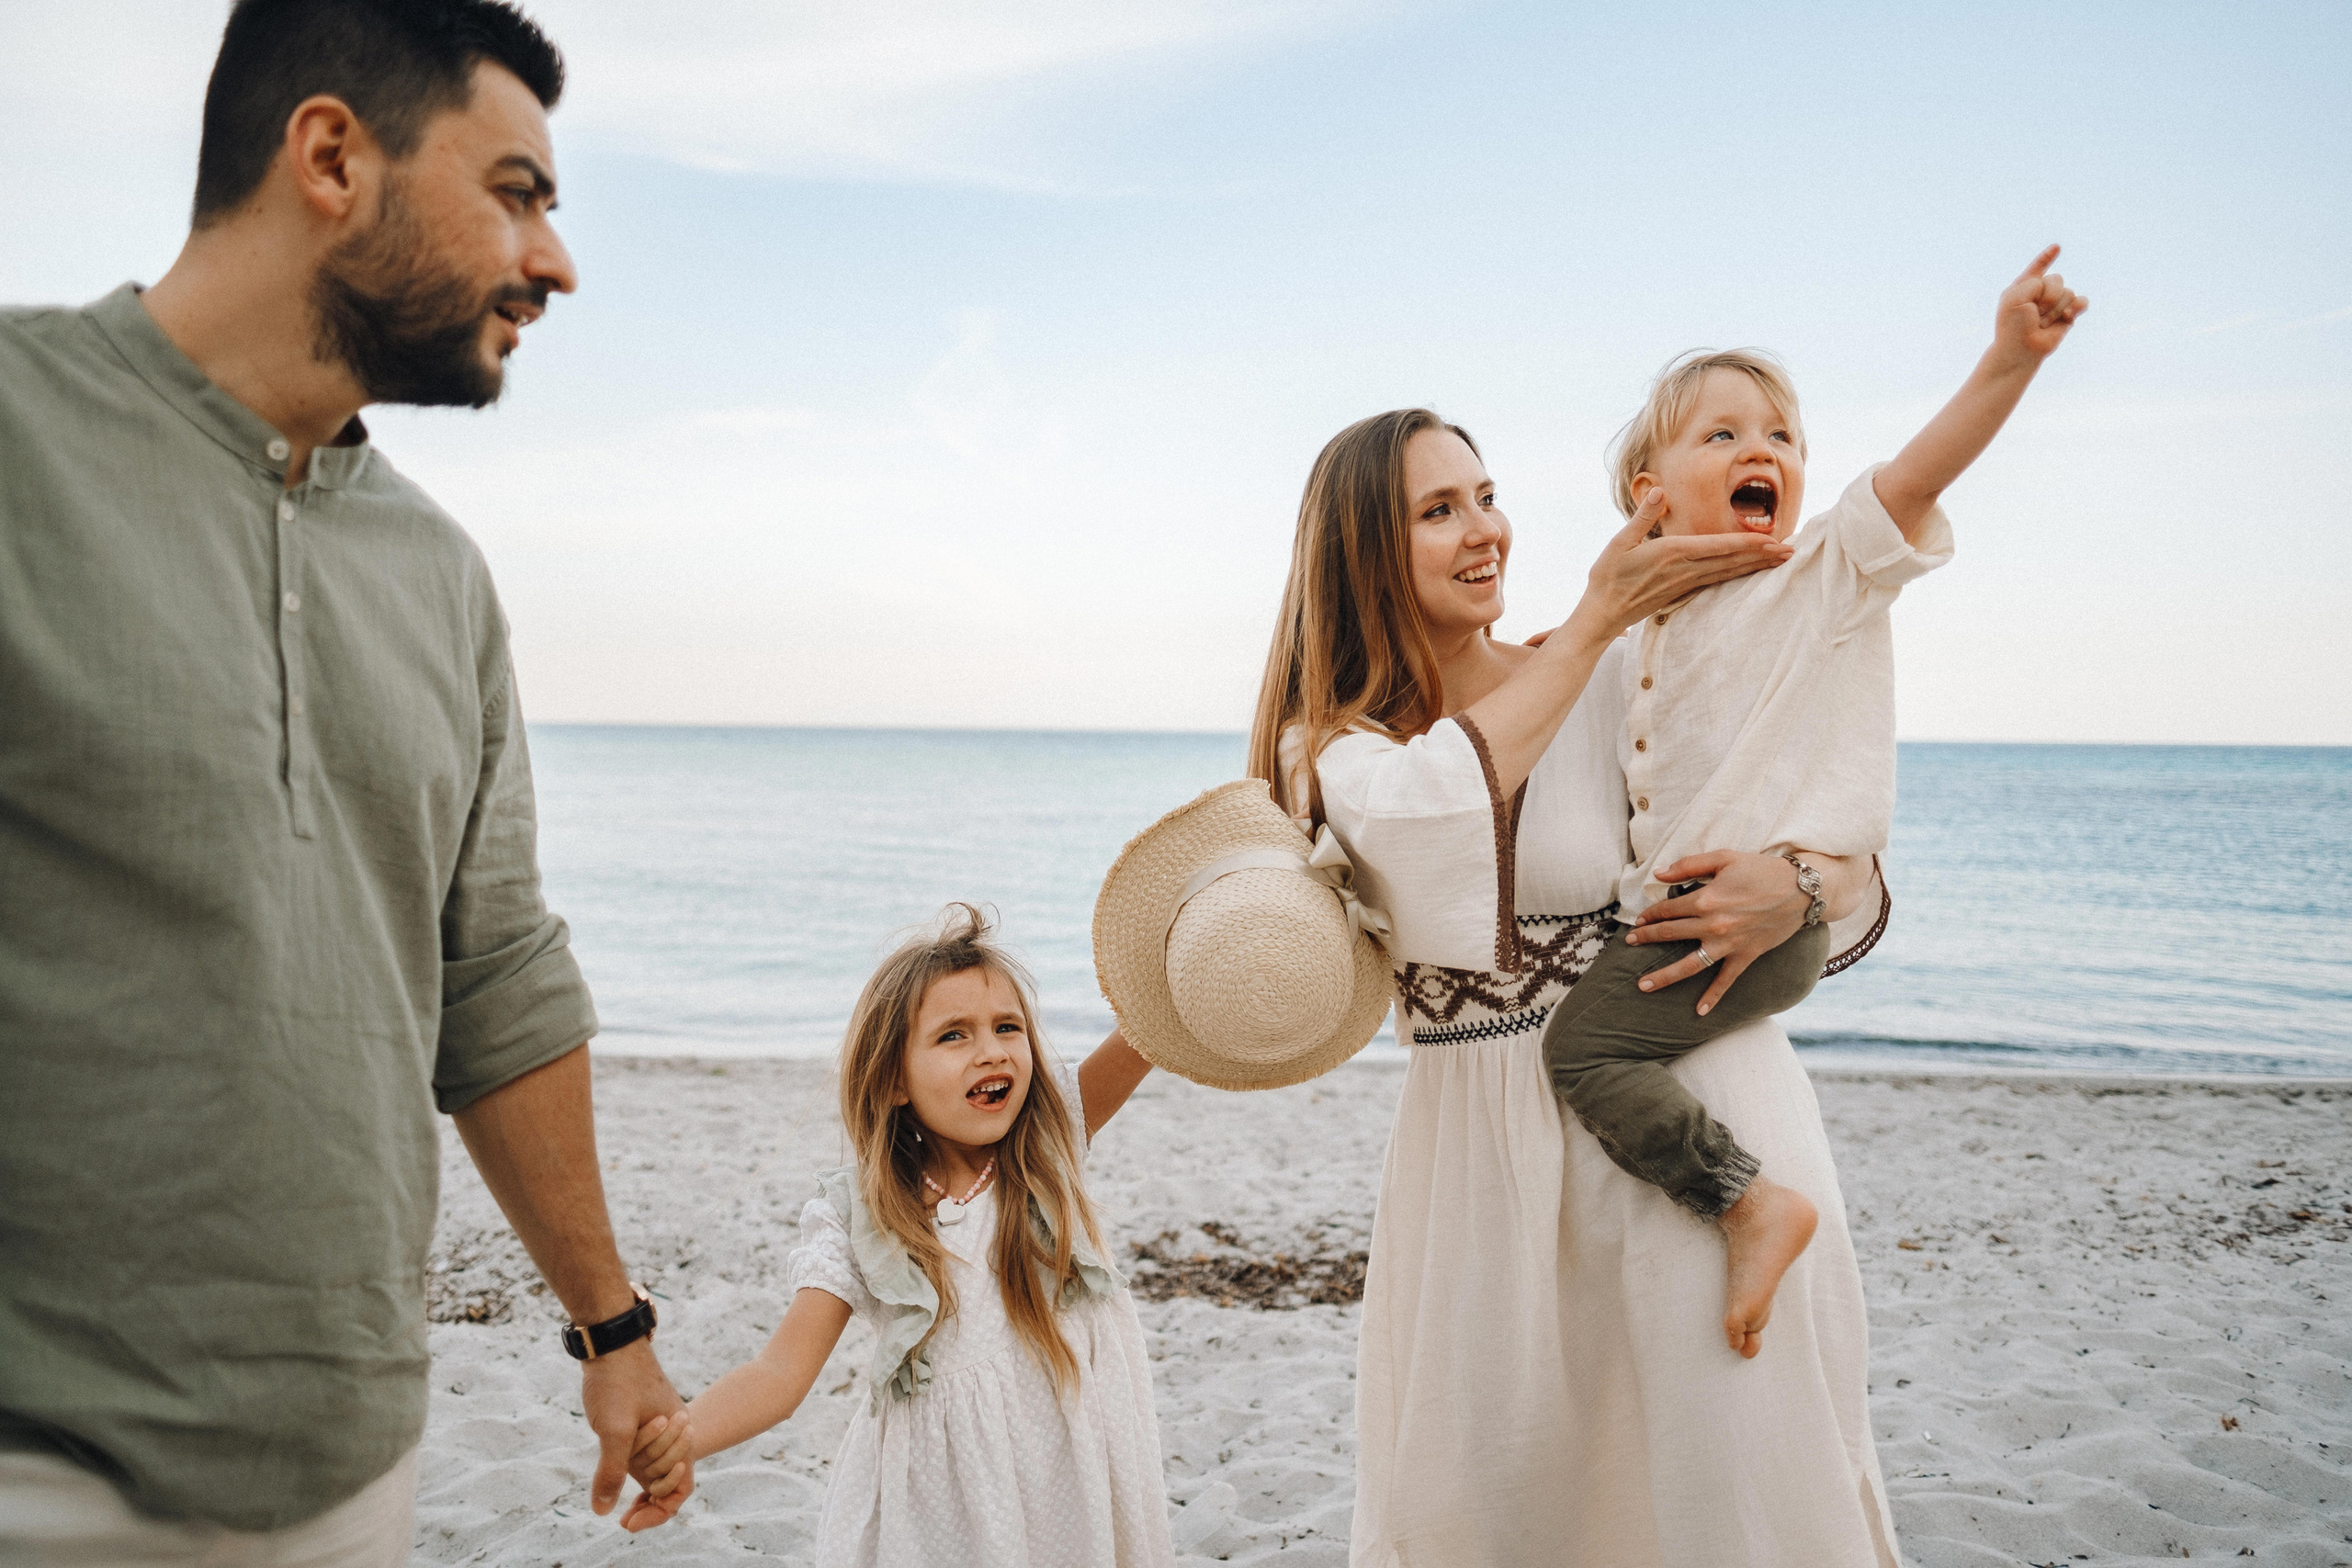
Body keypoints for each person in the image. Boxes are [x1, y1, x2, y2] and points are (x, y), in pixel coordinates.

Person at [0, 1, 692, 1558]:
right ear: (330, 156)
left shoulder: (439, 576)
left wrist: (613, 1330)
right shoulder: (19, 431)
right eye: (515, 192)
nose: (556, 261)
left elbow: (494, 976)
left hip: (360, 1465)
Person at [1250, 408, 1904, 1565]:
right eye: (1438, 510)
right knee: (1493, 1499)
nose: (1483, 530)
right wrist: (1597, 616)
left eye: (1486, 497)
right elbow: (1434, 811)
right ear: (1362, 550)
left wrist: (1802, 880)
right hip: (1479, 1158)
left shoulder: (1617, 675)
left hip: (1699, 1115)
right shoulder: (1332, 748)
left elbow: (1823, 828)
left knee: (1728, 1480)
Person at [1538, 249, 2088, 1354]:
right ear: (1651, 494)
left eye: (1781, 437)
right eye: (1724, 435)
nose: (1762, 452)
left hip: (1765, 924)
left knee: (1580, 1056)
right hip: (1685, 922)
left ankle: (1748, 1203)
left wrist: (2006, 360)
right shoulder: (1636, 631)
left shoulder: (1824, 573)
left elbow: (1917, 477)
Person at [625, 905, 1173, 1568]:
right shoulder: (860, 1214)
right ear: (892, 1079)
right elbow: (780, 1371)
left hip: (1077, 1459)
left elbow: (1155, 1022)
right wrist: (682, 1439)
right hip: (948, 1499)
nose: (993, 1049)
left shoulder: (1052, 1142)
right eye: (954, 1036)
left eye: (1008, 1027)